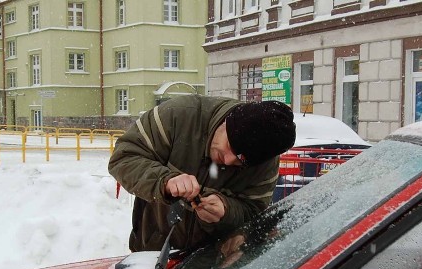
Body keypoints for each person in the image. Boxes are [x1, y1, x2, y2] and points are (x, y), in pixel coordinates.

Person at [108, 94, 296, 252]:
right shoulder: (178, 116)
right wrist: (164, 181)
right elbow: (124, 157)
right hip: (151, 254)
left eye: (241, 161)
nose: (230, 160)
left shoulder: (265, 162)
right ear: (225, 123)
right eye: (231, 147)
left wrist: (226, 212)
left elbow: (254, 213)